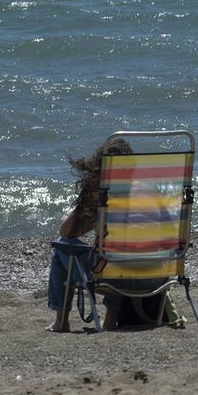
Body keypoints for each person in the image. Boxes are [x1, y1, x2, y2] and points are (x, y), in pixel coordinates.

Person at [46, 137, 134, 332]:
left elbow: (67, 232)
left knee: (62, 245)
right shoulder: (147, 191)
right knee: (121, 252)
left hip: (112, 275)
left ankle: (61, 320)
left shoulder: (103, 196)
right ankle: (110, 318)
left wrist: (88, 197)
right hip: (155, 273)